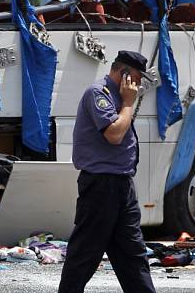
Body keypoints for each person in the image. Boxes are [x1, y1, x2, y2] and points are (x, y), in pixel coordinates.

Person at [58, 50, 156, 293]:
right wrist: (129, 103)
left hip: (122, 184)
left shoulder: (120, 97)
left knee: (133, 253)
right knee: (85, 253)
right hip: (101, 185)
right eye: (137, 76)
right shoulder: (98, 93)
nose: (140, 83)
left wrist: (127, 102)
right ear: (124, 73)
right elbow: (114, 134)